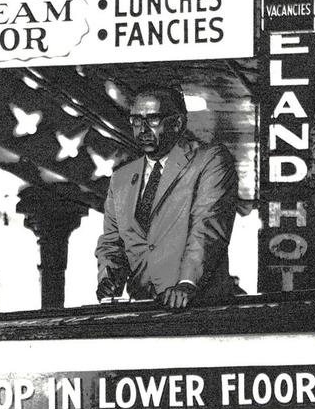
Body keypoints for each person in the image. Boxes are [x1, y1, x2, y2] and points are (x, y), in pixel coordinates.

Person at [95, 82, 238, 309]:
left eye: (153, 120)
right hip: (143, 309)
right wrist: (108, 278)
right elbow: (112, 243)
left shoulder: (211, 160)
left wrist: (187, 283)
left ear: (178, 123)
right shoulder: (120, 179)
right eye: (135, 121)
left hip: (199, 307)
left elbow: (207, 228)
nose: (142, 130)